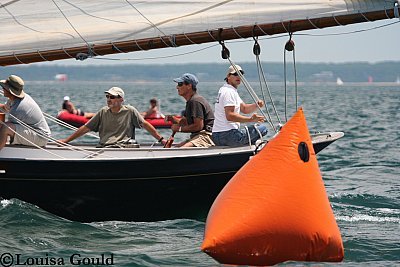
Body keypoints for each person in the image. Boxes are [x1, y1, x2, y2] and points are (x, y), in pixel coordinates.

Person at [58, 87, 167, 147]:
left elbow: (146, 125)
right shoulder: (103, 112)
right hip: (105, 147)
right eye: (108, 96)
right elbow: (85, 128)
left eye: (112, 97)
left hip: (124, 148)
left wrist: (161, 140)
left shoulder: (130, 111)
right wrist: (66, 141)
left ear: (121, 99)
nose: (109, 99)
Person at [212, 65, 268, 147]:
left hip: (217, 135)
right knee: (263, 129)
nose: (238, 76)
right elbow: (230, 116)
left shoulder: (228, 90)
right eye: (235, 74)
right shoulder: (229, 92)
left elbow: (244, 109)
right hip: (227, 135)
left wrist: (257, 105)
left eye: (240, 74)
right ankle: (250, 148)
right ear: (228, 76)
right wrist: (250, 119)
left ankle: (247, 146)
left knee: (256, 130)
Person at [0, 75, 51, 150]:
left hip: (41, 138)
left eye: (4, 87)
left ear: (10, 91)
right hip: (34, 132)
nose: (2, 88)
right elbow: (4, 108)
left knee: (5, 128)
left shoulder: (17, 109)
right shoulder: (14, 99)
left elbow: (7, 128)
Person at [167, 73, 214, 148]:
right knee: (175, 148)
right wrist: (174, 120)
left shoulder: (195, 101)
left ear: (189, 86)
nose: (177, 87)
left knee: (180, 152)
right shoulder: (190, 101)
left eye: (180, 84)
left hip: (206, 136)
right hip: (198, 136)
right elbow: (185, 122)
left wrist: (179, 129)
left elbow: (198, 126)